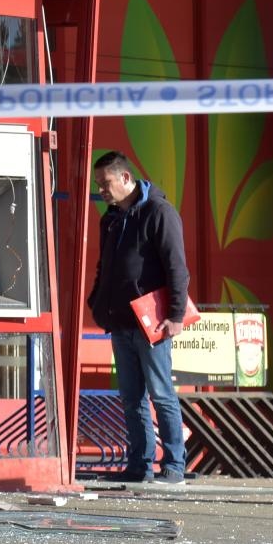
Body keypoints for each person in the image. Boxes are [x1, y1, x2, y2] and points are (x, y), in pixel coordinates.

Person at [87, 151, 189, 484]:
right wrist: (97, 300)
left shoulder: (160, 212)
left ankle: (174, 466)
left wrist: (175, 315)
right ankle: (139, 465)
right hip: (120, 322)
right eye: (99, 184)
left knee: (161, 394)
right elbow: (106, 265)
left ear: (126, 178)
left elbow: (177, 268)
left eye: (106, 182)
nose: (101, 189)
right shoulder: (111, 218)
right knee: (131, 399)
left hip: (154, 322)